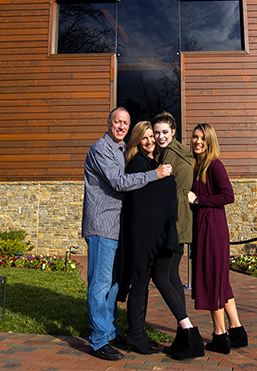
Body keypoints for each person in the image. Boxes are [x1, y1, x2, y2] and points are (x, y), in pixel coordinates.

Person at [82, 107, 172, 361]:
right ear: (108, 122)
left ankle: (109, 332)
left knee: (111, 284)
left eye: (125, 123)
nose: (121, 126)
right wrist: (155, 174)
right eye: (117, 122)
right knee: (100, 285)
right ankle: (98, 340)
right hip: (102, 226)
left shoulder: (120, 150)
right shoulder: (101, 149)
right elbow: (119, 182)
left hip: (116, 227)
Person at [115, 120, 204, 360]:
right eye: (146, 137)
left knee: (145, 285)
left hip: (152, 235)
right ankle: (136, 334)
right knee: (140, 285)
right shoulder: (137, 163)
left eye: (152, 136)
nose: (151, 140)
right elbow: (143, 199)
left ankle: (139, 335)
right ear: (137, 140)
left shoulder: (154, 161)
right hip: (142, 237)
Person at [188, 123, 248, 354]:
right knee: (221, 281)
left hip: (213, 230)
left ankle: (220, 335)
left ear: (210, 141)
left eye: (202, 138)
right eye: (195, 137)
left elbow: (228, 195)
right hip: (205, 227)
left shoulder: (214, 165)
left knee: (213, 280)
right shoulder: (198, 165)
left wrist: (198, 201)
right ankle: (237, 329)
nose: (197, 141)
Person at [152, 112, 204, 358]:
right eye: (157, 132)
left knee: (161, 277)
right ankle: (183, 337)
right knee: (172, 276)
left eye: (165, 132)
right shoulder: (179, 152)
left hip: (172, 223)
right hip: (181, 221)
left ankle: (189, 332)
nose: (160, 136)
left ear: (173, 132)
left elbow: (164, 192)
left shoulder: (169, 156)